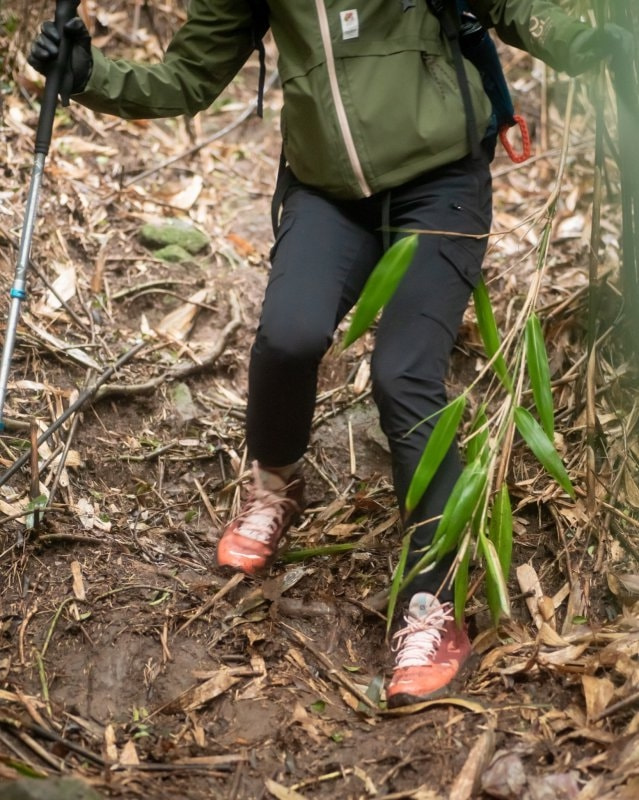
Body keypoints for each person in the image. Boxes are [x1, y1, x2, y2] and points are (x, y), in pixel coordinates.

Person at [29, 0, 632, 708]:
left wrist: (585, 45)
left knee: (402, 374)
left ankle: (430, 608)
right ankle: (277, 484)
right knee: (288, 337)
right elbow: (186, 78)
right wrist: (87, 72)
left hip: (440, 186)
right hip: (325, 193)